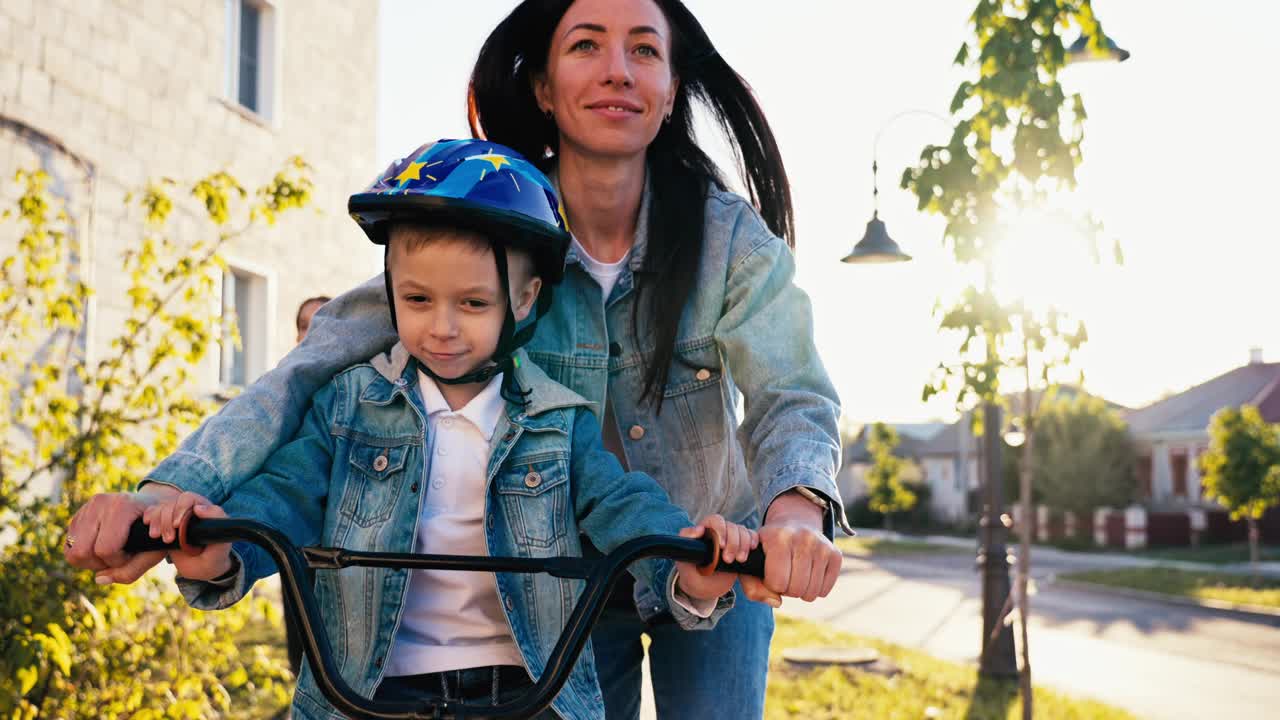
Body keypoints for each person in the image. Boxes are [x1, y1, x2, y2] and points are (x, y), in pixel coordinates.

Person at [66, 1, 847, 717]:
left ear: (671, 88)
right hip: (556, 578)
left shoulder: (728, 240)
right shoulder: (486, 224)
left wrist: (793, 518)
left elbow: (791, 390)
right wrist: (166, 493)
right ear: (543, 87)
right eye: (586, 45)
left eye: (645, 50)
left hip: (708, 555)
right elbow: (305, 371)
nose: (618, 68)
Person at [134, 139, 756, 719]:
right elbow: (286, 497)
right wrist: (218, 552)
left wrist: (685, 563)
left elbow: (623, 506)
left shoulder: (558, 422)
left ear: (526, 299)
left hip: (527, 693)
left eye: (474, 303)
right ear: (389, 295)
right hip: (370, 692)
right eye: (418, 300)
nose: (443, 328)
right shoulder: (349, 407)